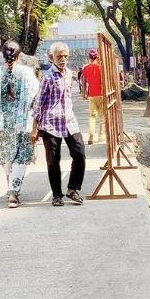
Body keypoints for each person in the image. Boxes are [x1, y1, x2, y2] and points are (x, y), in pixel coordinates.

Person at [0, 41, 39, 209]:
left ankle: (11, 187)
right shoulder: (27, 72)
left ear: (3, 55)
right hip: (22, 122)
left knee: (7, 156)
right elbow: (36, 97)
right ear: (19, 56)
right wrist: (37, 122)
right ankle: (13, 191)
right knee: (20, 156)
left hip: (1, 123)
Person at [32, 42, 86, 207]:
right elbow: (38, 103)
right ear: (52, 58)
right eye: (59, 56)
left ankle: (72, 189)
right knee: (53, 160)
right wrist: (35, 129)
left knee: (80, 154)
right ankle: (57, 195)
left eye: (65, 56)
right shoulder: (47, 77)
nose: (63, 59)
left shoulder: (70, 74)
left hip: (69, 121)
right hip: (50, 124)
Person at [80, 49, 104, 144]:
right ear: (97, 56)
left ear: (89, 57)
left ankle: (91, 135)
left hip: (91, 95)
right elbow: (103, 82)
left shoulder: (85, 68)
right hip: (102, 95)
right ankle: (101, 136)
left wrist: (84, 94)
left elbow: (84, 82)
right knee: (102, 117)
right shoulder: (101, 67)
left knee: (92, 116)